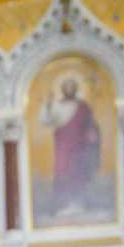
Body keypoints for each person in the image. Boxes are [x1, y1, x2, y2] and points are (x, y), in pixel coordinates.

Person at [42, 76, 102, 213]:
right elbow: (46, 120)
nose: (69, 89)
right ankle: (63, 204)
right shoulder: (56, 105)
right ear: (63, 90)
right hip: (63, 144)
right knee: (63, 171)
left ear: (75, 89)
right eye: (66, 87)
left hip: (80, 145)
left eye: (71, 86)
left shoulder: (83, 106)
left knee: (78, 172)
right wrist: (48, 104)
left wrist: (92, 132)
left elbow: (91, 124)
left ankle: (78, 203)